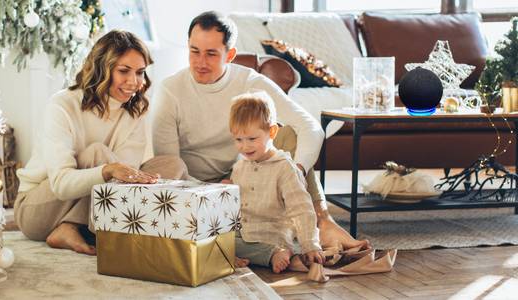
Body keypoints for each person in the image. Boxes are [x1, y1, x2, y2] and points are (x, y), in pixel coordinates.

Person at [152, 11, 368, 251]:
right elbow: (169, 169)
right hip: (195, 188)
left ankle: (323, 222)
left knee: (288, 135)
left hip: (245, 176)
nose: (200, 62)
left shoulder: (249, 82)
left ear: (230, 55)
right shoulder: (170, 90)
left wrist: (296, 170)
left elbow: (310, 127)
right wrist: (219, 190)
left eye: (211, 54)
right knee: (169, 166)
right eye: (194, 51)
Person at [15, 30, 188, 255]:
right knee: (98, 154)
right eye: (124, 71)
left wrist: (117, 172)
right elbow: (61, 184)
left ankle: (75, 227)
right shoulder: (63, 105)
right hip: (39, 208)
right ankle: (100, 231)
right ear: (101, 69)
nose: (134, 82)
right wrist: (107, 170)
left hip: (96, 207)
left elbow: (125, 180)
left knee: (172, 165)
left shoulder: (134, 110)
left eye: (140, 72)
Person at [229, 92, 324, 273]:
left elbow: (301, 208)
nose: (244, 146)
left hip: (271, 234)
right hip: (243, 231)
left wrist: (310, 244)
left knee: (228, 245)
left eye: (252, 139)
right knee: (209, 240)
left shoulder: (285, 168)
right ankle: (232, 254)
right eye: (238, 140)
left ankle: (273, 254)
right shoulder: (240, 166)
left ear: (272, 132)